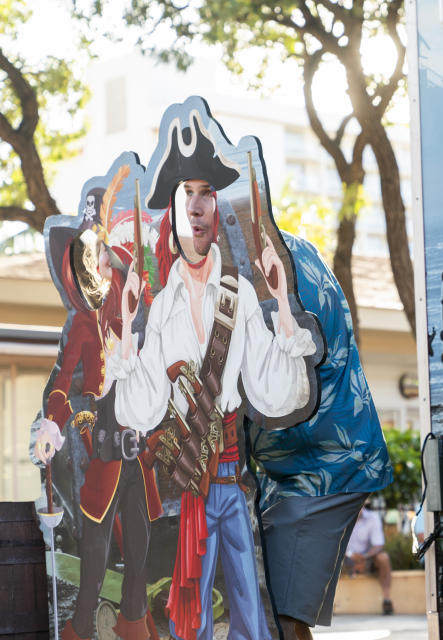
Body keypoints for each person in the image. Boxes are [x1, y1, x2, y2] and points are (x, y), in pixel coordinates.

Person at [109, 117, 317, 640]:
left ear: (216, 208)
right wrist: (131, 329)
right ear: (174, 210)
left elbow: (277, 390)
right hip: (186, 489)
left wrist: (280, 304)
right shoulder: (160, 309)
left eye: (206, 193)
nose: (198, 205)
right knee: (193, 613)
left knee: (251, 613)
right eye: (187, 193)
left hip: (231, 480)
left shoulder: (240, 295)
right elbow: (140, 409)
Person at [249, 232, 393, 640]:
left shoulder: (275, 262)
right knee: (268, 605)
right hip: (293, 466)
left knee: (281, 611)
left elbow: (280, 368)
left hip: (326, 463)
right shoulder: (277, 249)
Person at [35, 196, 163, 640]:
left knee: (141, 549)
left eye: (104, 253)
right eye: (93, 256)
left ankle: (134, 624)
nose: (101, 261)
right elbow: (62, 382)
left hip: (138, 448)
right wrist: (54, 423)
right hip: (105, 444)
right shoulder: (84, 325)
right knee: (96, 547)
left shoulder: (138, 322)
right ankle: (80, 626)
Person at [343, 505, 393, 615]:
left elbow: (378, 545)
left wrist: (363, 558)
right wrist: (350, 555)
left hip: (366, 558)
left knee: (383, 558)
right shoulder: (340, 517)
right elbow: (334, 544)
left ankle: (387, 600)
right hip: (344, 559)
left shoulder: (373, 517)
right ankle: (325, 605)